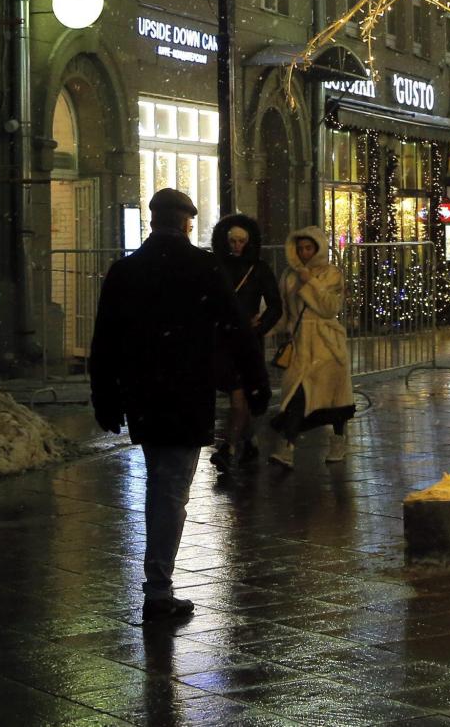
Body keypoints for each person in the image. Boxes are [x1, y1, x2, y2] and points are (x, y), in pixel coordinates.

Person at [90, 188, 268, 622]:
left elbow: (105, 341)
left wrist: (106, 396)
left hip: (144, 393)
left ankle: (158, 585)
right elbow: (235, 328)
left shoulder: (126, 270)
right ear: (187, 223)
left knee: (161, 482)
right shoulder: (203, 268)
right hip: (187, 391)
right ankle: (157, 590)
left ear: (153, 222)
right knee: (171, 489)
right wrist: (256, 380)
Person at [267, 226, 357, 468]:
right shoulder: (289, 275)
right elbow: (284, 311)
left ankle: (338, 439)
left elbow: (329, 308)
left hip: (327, 346)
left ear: (318, 248)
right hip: (301, 347)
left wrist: (311, 284)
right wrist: (266, 327)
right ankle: (287, 447)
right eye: (300, 248)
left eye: (309, 248)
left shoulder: (332, 274)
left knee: (335, 399)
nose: (304, 253)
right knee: (296, 396)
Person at [211, 213, 283, 471]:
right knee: (239, 393)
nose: (237, 246)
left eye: (241, 241)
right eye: (233, 241)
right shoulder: (217, 266)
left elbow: (275, 306)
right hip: (226, 340)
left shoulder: (257, 268)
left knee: (239, 394)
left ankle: (229, 447)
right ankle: (248, 441)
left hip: (245, 341)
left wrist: (260, 326)